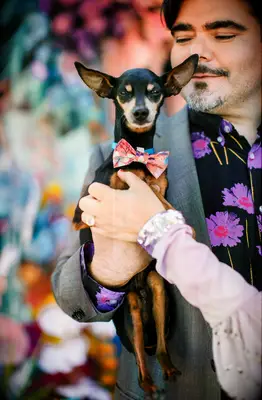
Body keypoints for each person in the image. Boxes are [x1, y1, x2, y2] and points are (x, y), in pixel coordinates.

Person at [52, 0, 261, 399]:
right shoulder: (110, 159)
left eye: (223, 34)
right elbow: (70, 297)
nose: (197, 53)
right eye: (183, 36)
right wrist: (111, 267)